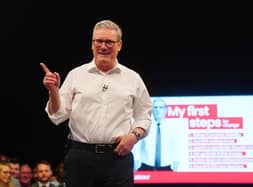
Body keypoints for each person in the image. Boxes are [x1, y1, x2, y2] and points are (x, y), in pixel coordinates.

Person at [40, 19, 152, 187]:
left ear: (119, 45)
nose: (103, 46)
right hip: (80, 157)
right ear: (92, 44)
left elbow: (144, 116)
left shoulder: (133, 78)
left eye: (109, 42)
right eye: (98, 41)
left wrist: (134, 136)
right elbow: (57, 115)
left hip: (117, 158)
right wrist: (53, 92)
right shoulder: (76, 75)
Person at [133, 98, 184, 171]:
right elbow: (138, 146)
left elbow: (176, 147)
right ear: (152, 109)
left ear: (165, 109)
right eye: (155, 107)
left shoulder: (172, 128)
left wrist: (176, 164)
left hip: (166, 168)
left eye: (160, 107)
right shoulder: (145, 126)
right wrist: (135, 163)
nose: (158, 110)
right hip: (146, 167)